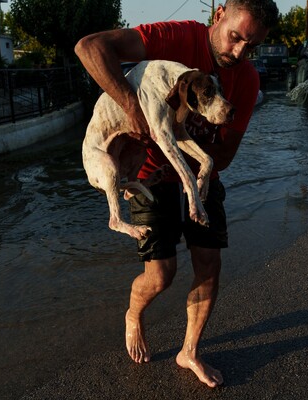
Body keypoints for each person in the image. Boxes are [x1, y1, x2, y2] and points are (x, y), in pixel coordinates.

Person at [75, 0, 279, 388]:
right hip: (146, 174)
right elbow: (89, 47)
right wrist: (132, 109)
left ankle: (189, 351)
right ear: (219, 15)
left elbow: (224, 157)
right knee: (160, 276)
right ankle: (134, 314)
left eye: (251, 47)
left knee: (209, 265)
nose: (239, 52)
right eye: (236, 37)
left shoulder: (248, 80)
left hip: (198, 175)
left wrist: (195, 165)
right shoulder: (175, 37)